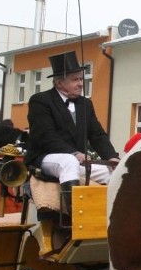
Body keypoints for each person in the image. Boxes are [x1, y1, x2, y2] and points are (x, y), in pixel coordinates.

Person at [25, 51, 119, 251]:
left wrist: (112, 157)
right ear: (59, 83)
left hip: (77, 161)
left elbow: (97, 135)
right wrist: (73, 153)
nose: (80, 83)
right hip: (46, 157)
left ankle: (117, 221)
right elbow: (45, 136)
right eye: (75, 79)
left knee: (115, 172)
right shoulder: (40, 100)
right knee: (68, 162)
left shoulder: (86, 104)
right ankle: (72, 219)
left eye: (81, 79)